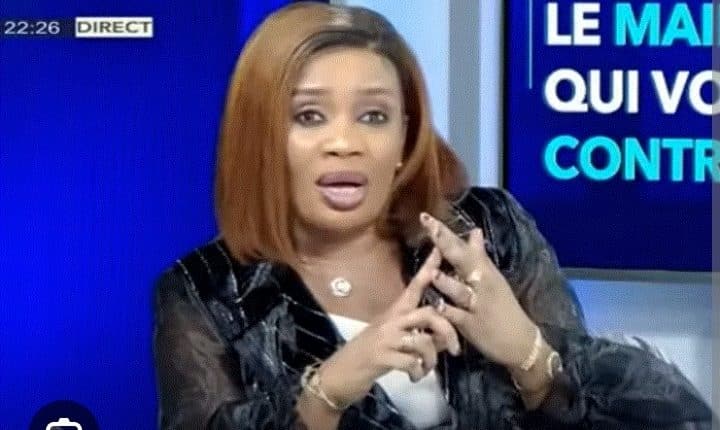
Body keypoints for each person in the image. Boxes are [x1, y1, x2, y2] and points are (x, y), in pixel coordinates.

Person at [151, 2, 714, 429]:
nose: (345, 143)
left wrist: (526, 348)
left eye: (374, 116)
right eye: (310, 116)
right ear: (262, 138)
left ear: (405, 136)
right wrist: (330, 387)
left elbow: (675, 415)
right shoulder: (204, 293)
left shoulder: (490, 232)